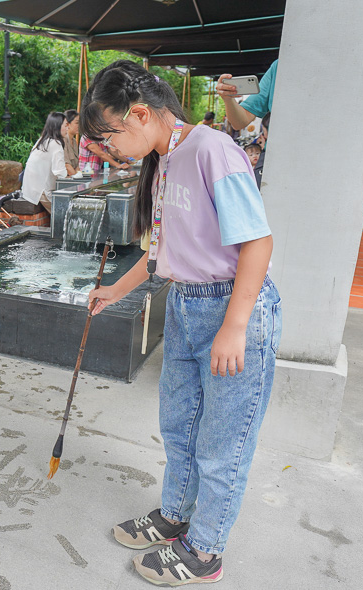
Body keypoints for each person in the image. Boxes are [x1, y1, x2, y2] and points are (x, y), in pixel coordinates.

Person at [81, 60, 281, 586]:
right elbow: (163, 252)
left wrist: (234, 326)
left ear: (141, 114)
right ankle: (175, 515)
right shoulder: (165, 158)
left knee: (222, 443)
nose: (109, 149)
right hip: (189, 306)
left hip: (231, 308)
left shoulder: (212, 150)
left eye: (109, 136)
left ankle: (206, 549)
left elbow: (257, 242)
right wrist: (114, 291)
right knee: (180, 425)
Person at [217, 59, 363, 223]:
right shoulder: (282, 65)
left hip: (337, 175)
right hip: (280, 173)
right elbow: (240, 121)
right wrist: (228, 99)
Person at [21, 112, 68, 213]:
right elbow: (60, 172)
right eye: (65, 125)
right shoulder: (56, 144)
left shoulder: (43, 140)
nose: (67, 128)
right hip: (41, 191)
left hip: (30, 188)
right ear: (58, 126)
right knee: (65, 213)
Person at [62, 109, 80, 175]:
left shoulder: (74, 141)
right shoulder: (63, 140)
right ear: (68, 124)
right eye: (77, 123)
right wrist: (76, 178)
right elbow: (67, 166)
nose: (79, 125)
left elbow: (77, 166)